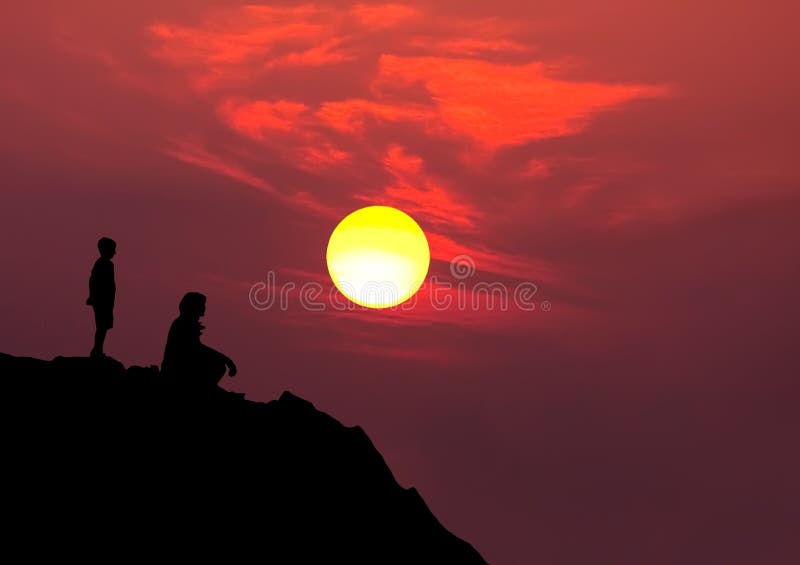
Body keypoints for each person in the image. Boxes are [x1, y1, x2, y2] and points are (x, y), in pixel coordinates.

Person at [161, 292, 237, 390]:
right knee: (218, 365)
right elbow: (195, 348)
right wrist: (227, 360)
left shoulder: (184, 323)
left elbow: (197, 347)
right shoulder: (182, 324)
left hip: (180, 367)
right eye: (202, 305)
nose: (204, 307)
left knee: (218, 365)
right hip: (175, 370)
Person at [86, 237, 116, 358]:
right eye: (113, 249)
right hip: (102, 300)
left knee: (103, 326)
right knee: (102, 326)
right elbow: (93, 281)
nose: (115, 252)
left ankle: (98, 349)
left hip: (106, 300)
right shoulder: (103, 264)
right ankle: (96, 350)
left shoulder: (107, 264)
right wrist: (93, 296)